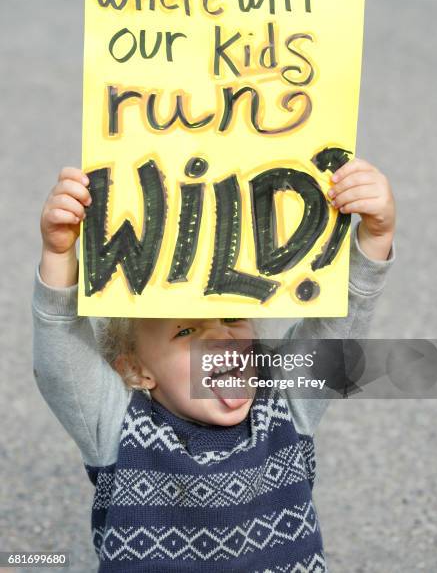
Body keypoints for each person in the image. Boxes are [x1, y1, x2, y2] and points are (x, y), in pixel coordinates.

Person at [32, 160, 396, 572]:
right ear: (136, 370)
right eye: (185, 332)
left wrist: (375, 237)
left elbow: (337, 327)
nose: (220, 337)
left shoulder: (284, 405)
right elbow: (61, 363)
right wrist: (59, 252)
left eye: (231, 319)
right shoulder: (119, 428)